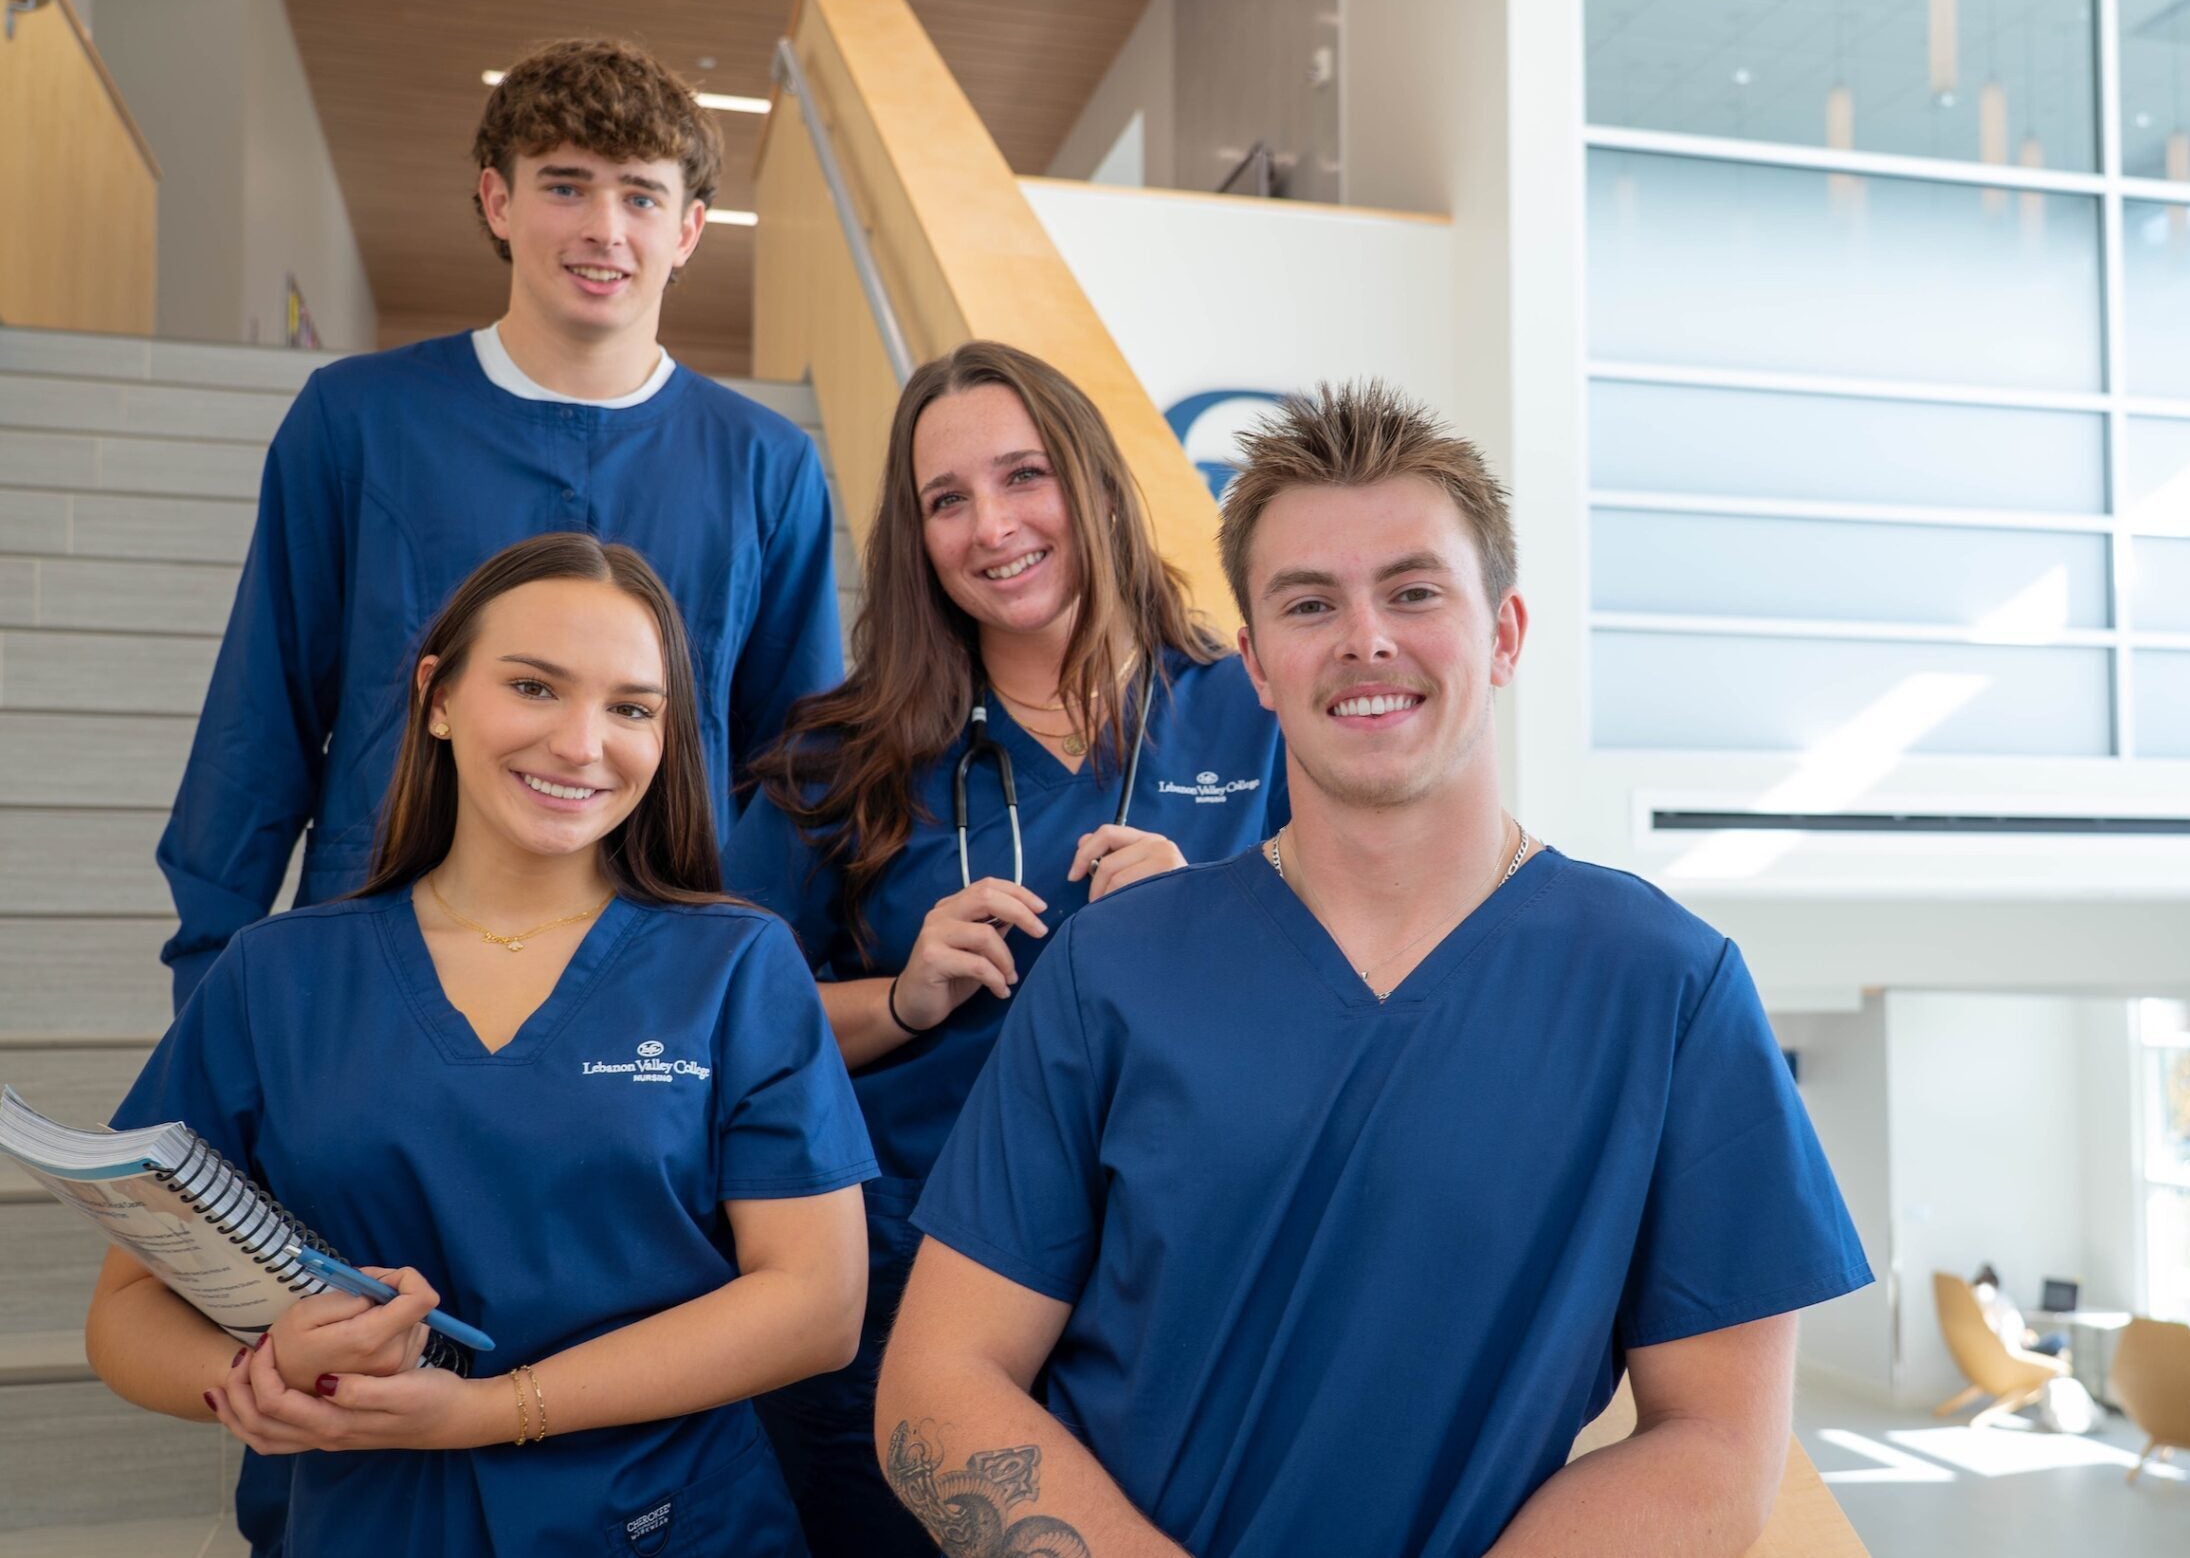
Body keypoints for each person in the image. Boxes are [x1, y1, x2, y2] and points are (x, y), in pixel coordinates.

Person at [877, 382, 1874, 1557]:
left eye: (1414, 590)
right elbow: (935, 1389)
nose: (1367, 639)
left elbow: (1715, 1445)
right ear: (1255, 664)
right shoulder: (1111, 971)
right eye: (1310, 603)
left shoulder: (1666, 988)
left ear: (1503, 634)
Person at [88, 534, 875, 1557]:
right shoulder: (274, 976)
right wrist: (257, 1377)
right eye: (535, 687)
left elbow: (818, 1304)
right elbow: (125, 1311)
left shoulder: (737, 966)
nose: (583, 742)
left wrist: (490, 1409)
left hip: (665, 1523)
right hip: (363, 1523)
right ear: (438, 697)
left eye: (631, 707)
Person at [724, 341, 1286, 1555]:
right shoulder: (842, 759)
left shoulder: (1261, 707)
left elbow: (1387, 974)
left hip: (1184, 1297)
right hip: (906, 1298)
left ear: (1089, 481)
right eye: (946, 500)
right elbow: (711, 1024)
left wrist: (1225, 919)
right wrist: (903, 996)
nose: (992, 527)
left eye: (1023, 476)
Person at [158, 35, 842, 1012]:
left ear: (689, 229)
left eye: (640, 196)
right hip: (382, 950)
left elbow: (797, 761)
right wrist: (211, 970)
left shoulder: (767, 466)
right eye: (565, 186)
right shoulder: (358, 422)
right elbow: (260, 716)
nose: (605, 228)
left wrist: (774, 989)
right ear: (497, 201)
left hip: (660, 978)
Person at [1973, 1264, 2068, 1359]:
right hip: (2016, 1351)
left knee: (2060, 1343)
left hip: (2021, 1345)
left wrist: (2024, 1335)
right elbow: (1995, 1328)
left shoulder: (1995, 1301)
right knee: (2060, 1339)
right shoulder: (1985, 1293)